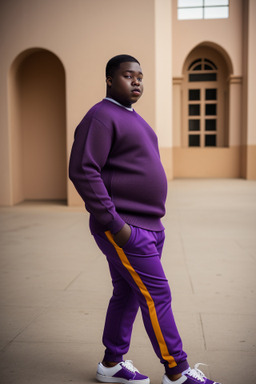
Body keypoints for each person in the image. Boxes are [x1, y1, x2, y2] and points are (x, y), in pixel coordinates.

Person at [69, 54, 221, 384]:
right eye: (128, 75)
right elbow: (83, 169)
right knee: (157, 295)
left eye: (140, 76)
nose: (137, 81)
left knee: (127, 293)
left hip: (150, 225)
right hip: (126, 227)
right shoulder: (101, 116)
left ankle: (111, 364)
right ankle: (177, 372)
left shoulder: (135, 119)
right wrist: (114, 224)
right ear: (110, 80)